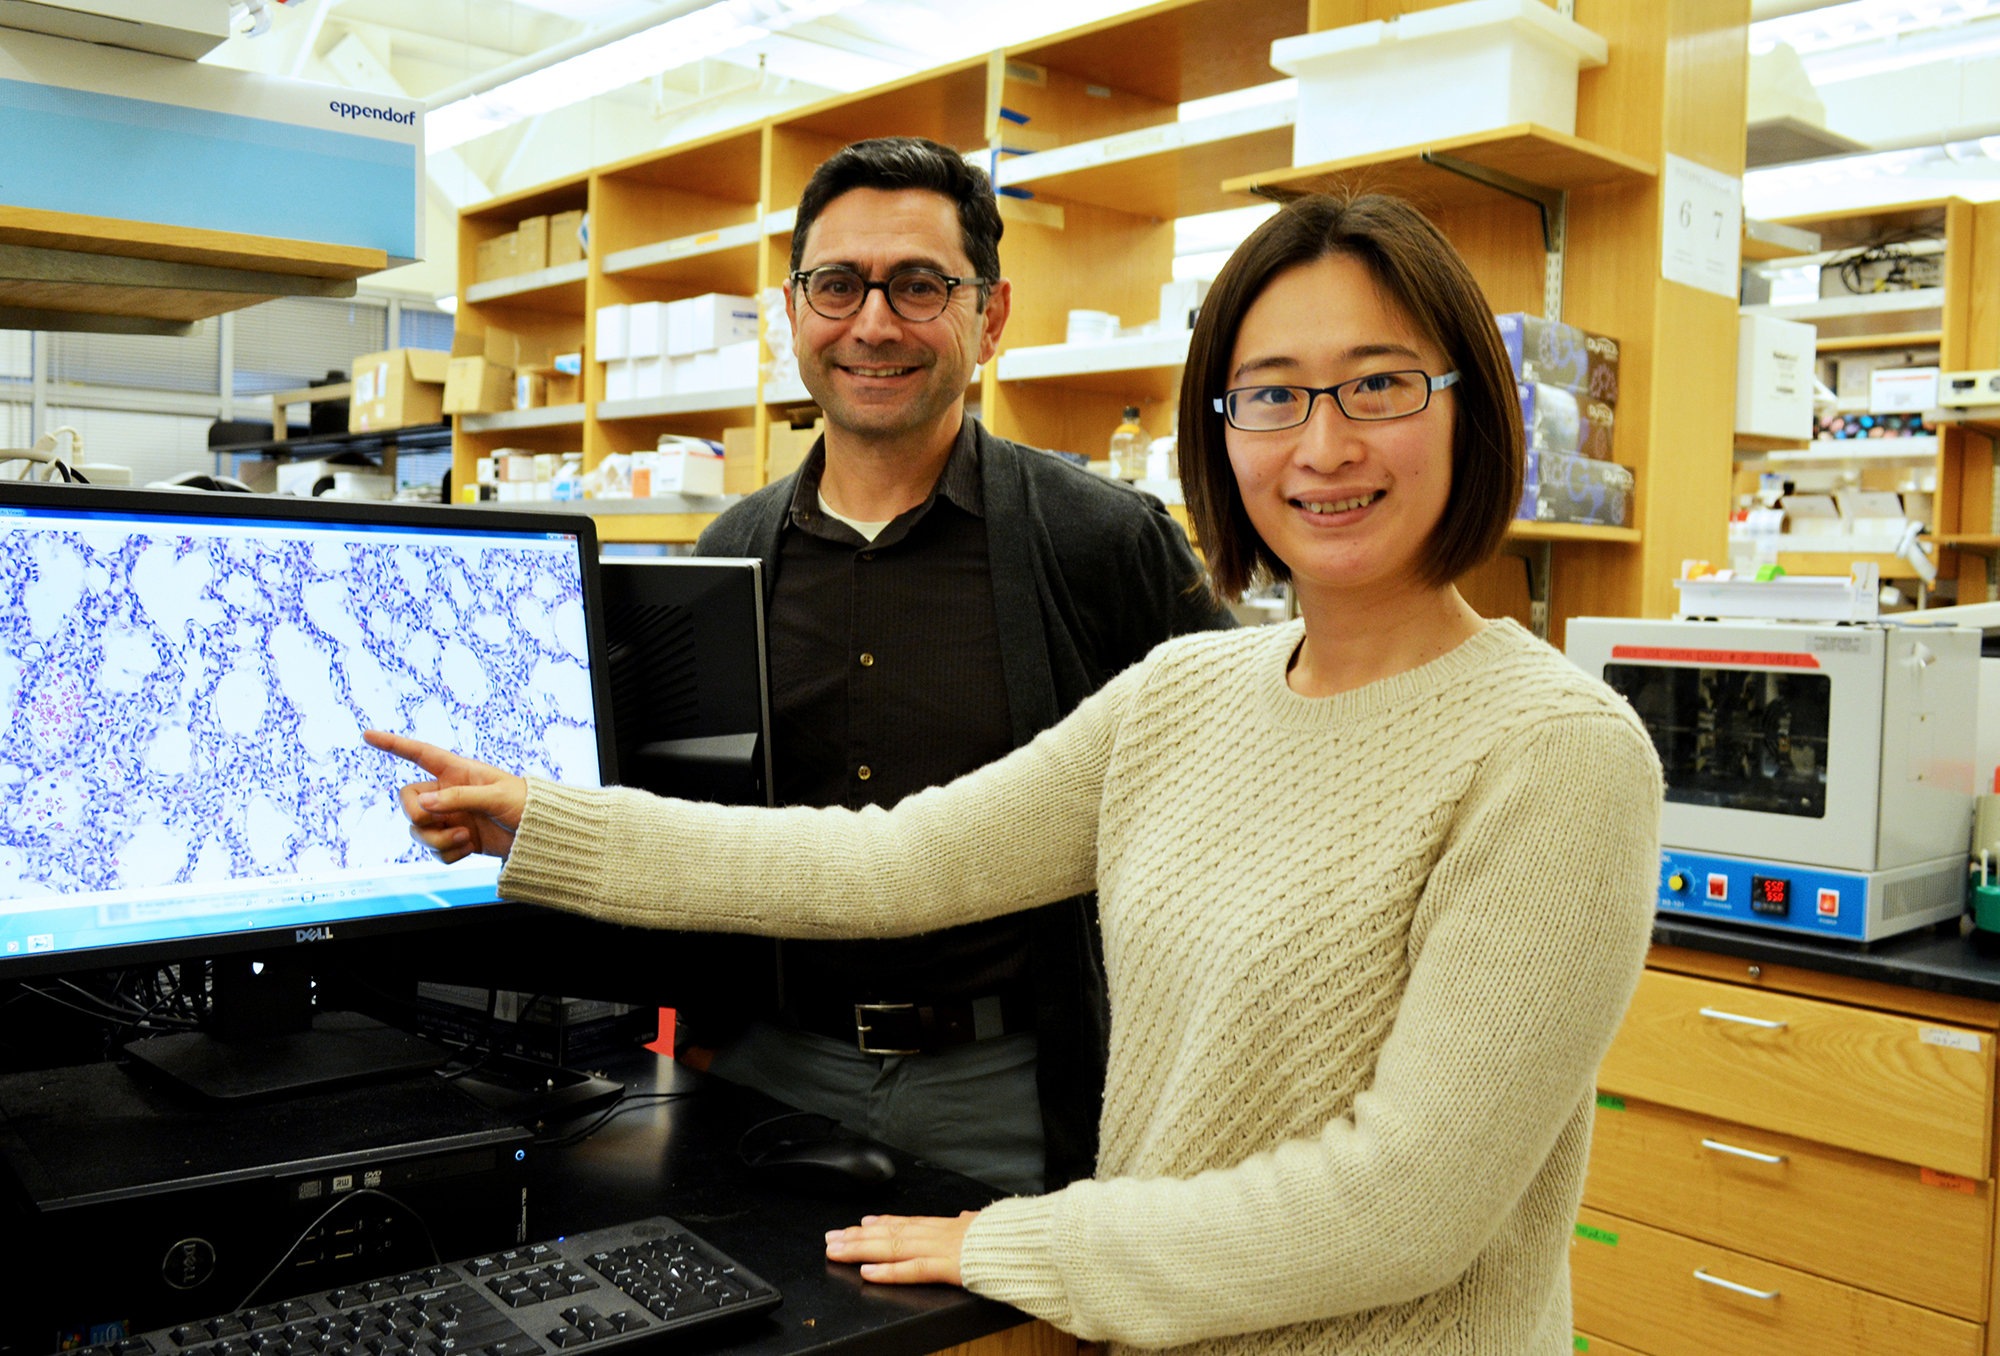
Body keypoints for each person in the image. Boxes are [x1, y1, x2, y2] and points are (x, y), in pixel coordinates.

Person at [368, 191, 1662, 1354]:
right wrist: (543, 823)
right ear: (1221, 431)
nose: (1321, 446)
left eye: (1377, 385)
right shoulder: (1182, 697)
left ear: (1469, 406)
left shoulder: (1553, 752)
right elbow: (893, 861)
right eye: (1270, 393)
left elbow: (1406, 1206)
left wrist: (1019, 1246)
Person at [676, 134, 1232, 1199]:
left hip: (1016, 1088)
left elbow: (1228, 802)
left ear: (990, 316)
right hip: (766, 1069)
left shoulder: (1102, 544)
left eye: (919, 284)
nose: (872, 322)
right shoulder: (729, 557)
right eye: (837, 285)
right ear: (791, 310)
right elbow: (695, 828)